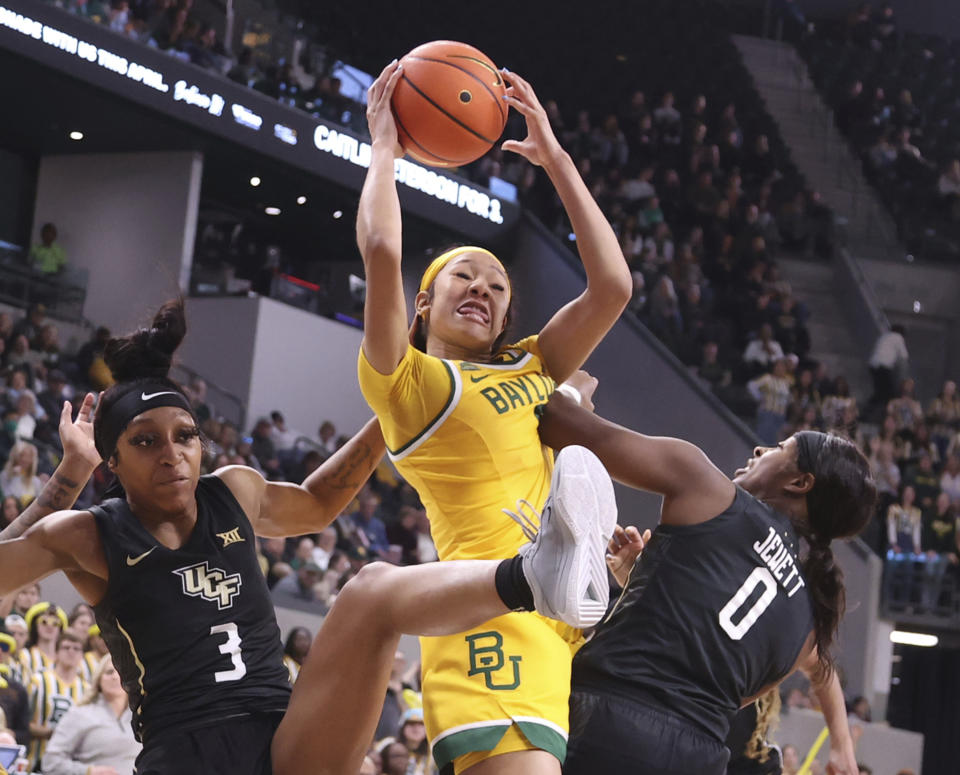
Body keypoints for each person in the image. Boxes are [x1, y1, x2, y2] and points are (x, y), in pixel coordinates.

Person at [356, 59, 631, 774]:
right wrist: (384, 145)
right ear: (424, 303)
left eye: (497, 283)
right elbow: (384, 248)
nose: (481, 287)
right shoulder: (412, 384)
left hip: (564, 617)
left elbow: (612, 286)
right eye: (463, 277)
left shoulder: (534, 365)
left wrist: (558, 160)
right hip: (488, 613)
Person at [0, 299, 386, 774]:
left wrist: (392, 410)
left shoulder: (235, 491)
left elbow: (318, 504)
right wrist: (73, 471)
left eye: (184, 436)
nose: (171, 454)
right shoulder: (91, 534)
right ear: (112, 459)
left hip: (278, 734)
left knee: (382, 590)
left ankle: (509, 578)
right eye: (145, 440)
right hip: (184, 750)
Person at [535, 392, 876, 775]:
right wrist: (645, 581)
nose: (761, 448)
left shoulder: (708, 488)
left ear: (799, 482)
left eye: (780, 448)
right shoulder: (809, 629)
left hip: (605, 720)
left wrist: (572, 388)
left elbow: (556, 421)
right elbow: (709, 680)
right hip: (700, 759)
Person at [42, 654, 141, 775]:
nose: (115, 676)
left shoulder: (142, 715)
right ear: (98, 679)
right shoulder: (79, 714)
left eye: (120, 672)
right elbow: (50, 762)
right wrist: (88, 771)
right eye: (109, 672)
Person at [27, 631, 88, 771]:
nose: (71, 652)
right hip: (36, 761)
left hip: (71, 765)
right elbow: (24, 723)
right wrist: (51, 733)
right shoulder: (38, 681)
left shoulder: (87, 690)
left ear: (82, 655)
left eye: (76, 648)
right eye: (66, 648)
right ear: (56, 653)